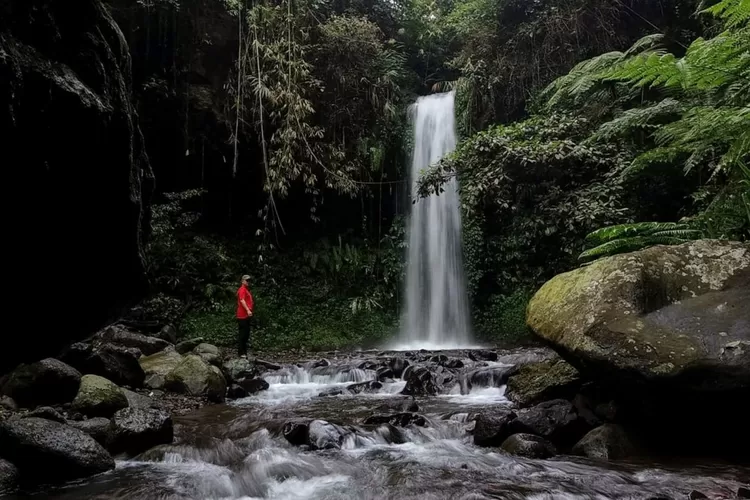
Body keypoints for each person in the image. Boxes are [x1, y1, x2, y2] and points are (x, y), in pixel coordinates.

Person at [236, 274, 254, 358]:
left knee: (246, 334)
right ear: (242, 281)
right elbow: (242, 300)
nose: (248, 282)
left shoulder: (246, 290)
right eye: (247, 280)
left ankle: (244, 351)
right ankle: (241, 352)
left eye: (249, 280)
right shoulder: (242, 289)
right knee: (243, 334)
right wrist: (247, 310)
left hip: (246, 315)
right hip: (242, 315)